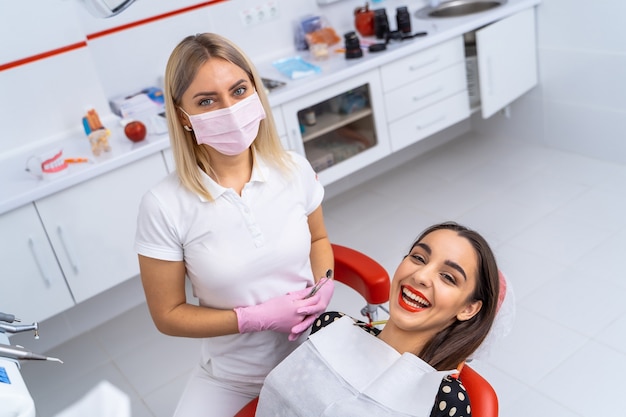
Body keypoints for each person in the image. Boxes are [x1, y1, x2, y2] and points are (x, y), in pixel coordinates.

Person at [134, 33, 335, 417]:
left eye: (239, 90)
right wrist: (252, 319)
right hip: (232, 378)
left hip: (313, 355)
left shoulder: (292, 168)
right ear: (182, 116)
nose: (229, 108)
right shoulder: (164, 204)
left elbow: (320, 238)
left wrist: (325, 284)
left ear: (256, 92)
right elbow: (168, 315)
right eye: (206, 101)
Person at [256, 222, 500, 417]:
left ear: (468, 309)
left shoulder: (444, 401)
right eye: (418, 258)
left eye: (448, 277)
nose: (421, 276)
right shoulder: (330, 327)